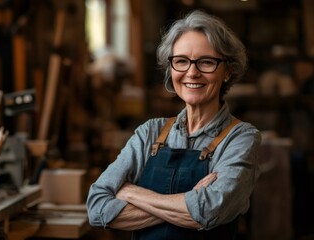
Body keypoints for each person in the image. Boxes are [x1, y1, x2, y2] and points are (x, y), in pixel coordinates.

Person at [86, 10, 261, 240]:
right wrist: (190, 199)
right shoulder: (149, 132)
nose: (192, 72)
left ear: (227, 71)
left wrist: (131, 192)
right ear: (171, 69)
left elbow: (208, 211)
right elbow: (97, 207)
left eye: (206, 62)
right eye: (181, 61)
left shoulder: (241, 138)